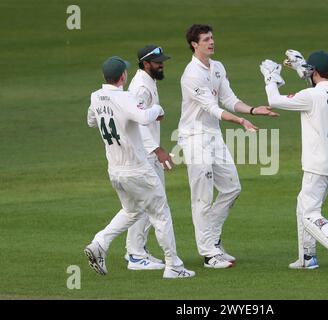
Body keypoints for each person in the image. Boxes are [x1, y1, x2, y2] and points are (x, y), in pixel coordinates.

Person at [84, 56, 195, 279]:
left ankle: (99, 243)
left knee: (132, 210)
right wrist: (158, 109)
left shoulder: (96, 97)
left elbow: (91, 121)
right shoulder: (125, 97)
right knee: (161, 213)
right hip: (136, 169)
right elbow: (144, 117)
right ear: (123, 76)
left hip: (115, 171)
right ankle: (173, 265)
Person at [178, 24, 279, 269]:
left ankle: (212, 239)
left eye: (212, 38)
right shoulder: (191, 74)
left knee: (232, 187)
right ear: (194, 44)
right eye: (206, 39)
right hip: (195, 138)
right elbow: (211, 107)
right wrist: (240, 121)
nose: (211, 42)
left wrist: (254, 110)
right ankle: (209, 254)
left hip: (213, 135)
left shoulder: (218, 67)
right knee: (202, 197)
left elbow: (229, 99)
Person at [260, 50, 328, 272]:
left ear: (314, 71)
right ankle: (307, 257)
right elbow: (319, 88)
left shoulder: (311, 96)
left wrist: (270, 76)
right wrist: (301, 68)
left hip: (317, 162)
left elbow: (273, 100)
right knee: (303, 204)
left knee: (309, 214)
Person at [123, 45, 174, 271]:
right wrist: (157, 150)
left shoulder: (148, 80)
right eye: (157, 62)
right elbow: (136, 123)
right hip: (144, 155)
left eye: (162, 61)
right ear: (146, 64)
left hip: (147, 154)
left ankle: (138, 250)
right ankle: (135, 255)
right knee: (149, 202)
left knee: (150, 202)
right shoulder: (141, 87)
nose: (161, 65)